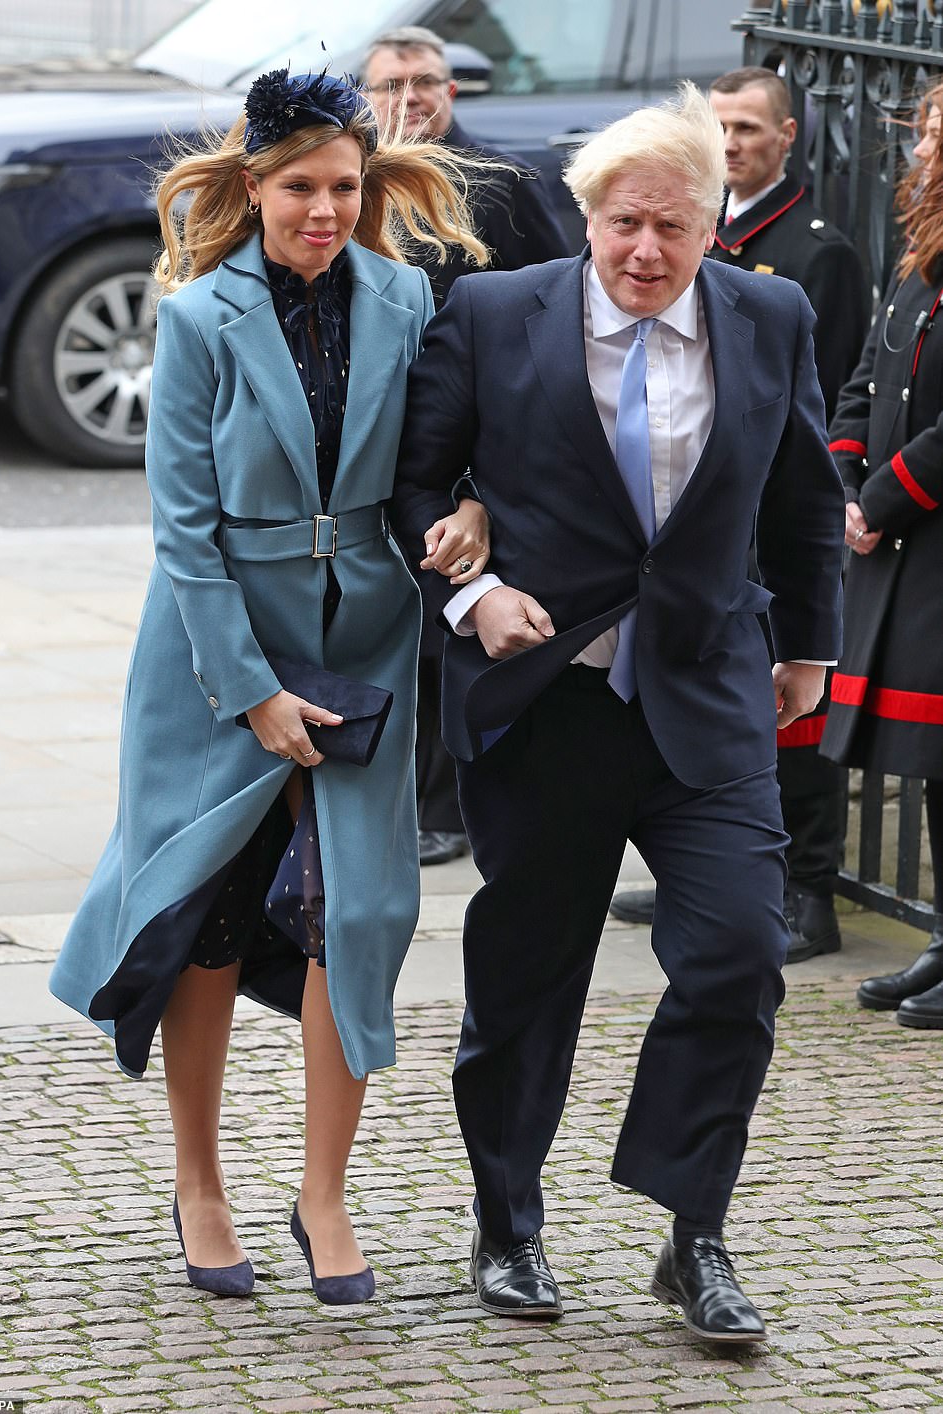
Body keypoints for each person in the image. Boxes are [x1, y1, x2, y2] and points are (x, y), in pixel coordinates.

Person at [391, 84, 844, 1344]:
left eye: (673, 226)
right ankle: (506, 1222)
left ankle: (692, 1232)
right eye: (624, 223)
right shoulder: (494, 313)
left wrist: (808, 644)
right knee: (525, 981)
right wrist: (471, 591)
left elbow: (802, 492)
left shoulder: (768, 314)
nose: (646, 250)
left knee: (737, 954)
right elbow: (413, 480)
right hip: (548, 699)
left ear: (712, 227)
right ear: (587, 216)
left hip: (705, 689)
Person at [49, 68, 490, 1303]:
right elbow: (183, 535)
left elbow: (448, 449)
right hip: (213, 654)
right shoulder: (196, 317)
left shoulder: (407, 296)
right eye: (300, 187)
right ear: (252, 187)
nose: (324, 211)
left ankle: (323, 1192)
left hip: (365, 643)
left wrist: (470, 507)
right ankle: (199, 1181)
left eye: (344, 186)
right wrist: (250, 692)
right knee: (206, 906)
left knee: (352, 911)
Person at [611, 67, 869, 964]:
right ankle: (692, 859)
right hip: (697, 533)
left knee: (792, 720)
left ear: (787, 137)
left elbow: (817, 398)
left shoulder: (816, 250)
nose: (732, 142)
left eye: (750, 128)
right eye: (719, 126)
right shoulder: (692, 228)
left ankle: (809, 887)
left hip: (763, 527)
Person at [363, 24, 570, 867]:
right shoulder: (353, 181)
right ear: (366, 96)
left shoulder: (501, 182)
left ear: (451, 91)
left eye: (425, 81)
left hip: (467, 442)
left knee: (447, 612)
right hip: (371, 438)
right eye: (390, 84)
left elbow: (557, 305)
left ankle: (446, 804)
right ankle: (389, 791)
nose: (409, 98)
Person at [821, 83, 943, 1028]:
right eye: (927, 134)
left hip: (929, 533)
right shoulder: (920, 252)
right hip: (899, 536)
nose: (925, 150)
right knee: (935, 763)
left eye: (940, 137)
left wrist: (885, 494)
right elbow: (869, 374)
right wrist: (846, 477)